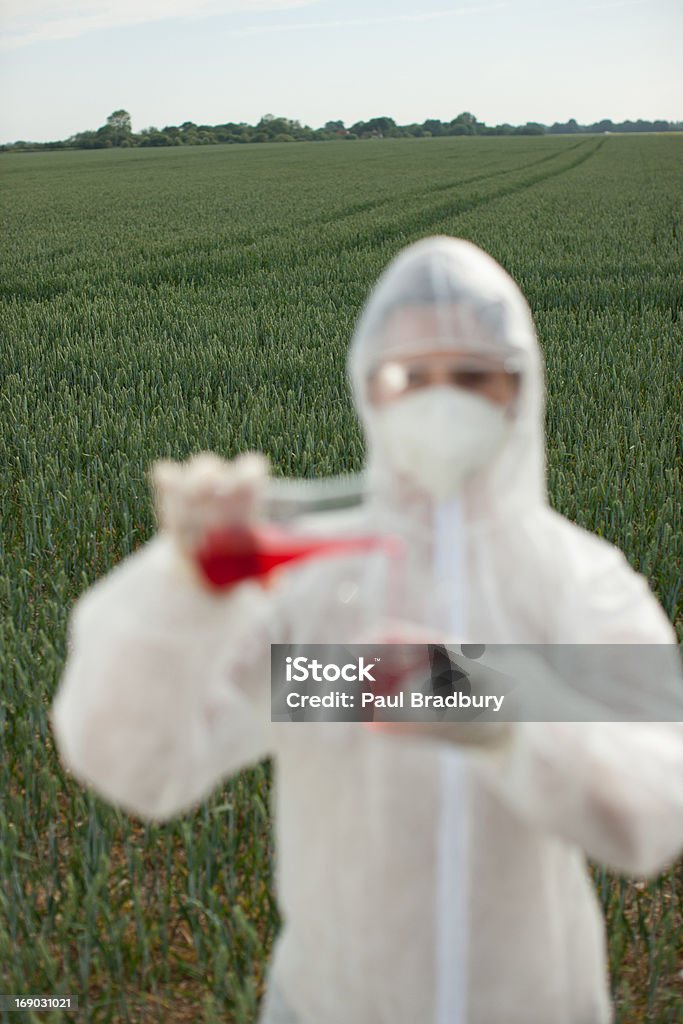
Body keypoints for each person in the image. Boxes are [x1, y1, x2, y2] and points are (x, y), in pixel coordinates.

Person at [50, 236, 683, 1024]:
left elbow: (656, 808)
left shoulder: (578, 583)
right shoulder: (315, 588)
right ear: (369, 392)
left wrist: (496, 708)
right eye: (409, 376)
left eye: (469, 375)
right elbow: (139, 765)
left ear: (517, 391)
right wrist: (182, 592)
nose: (437, 398)